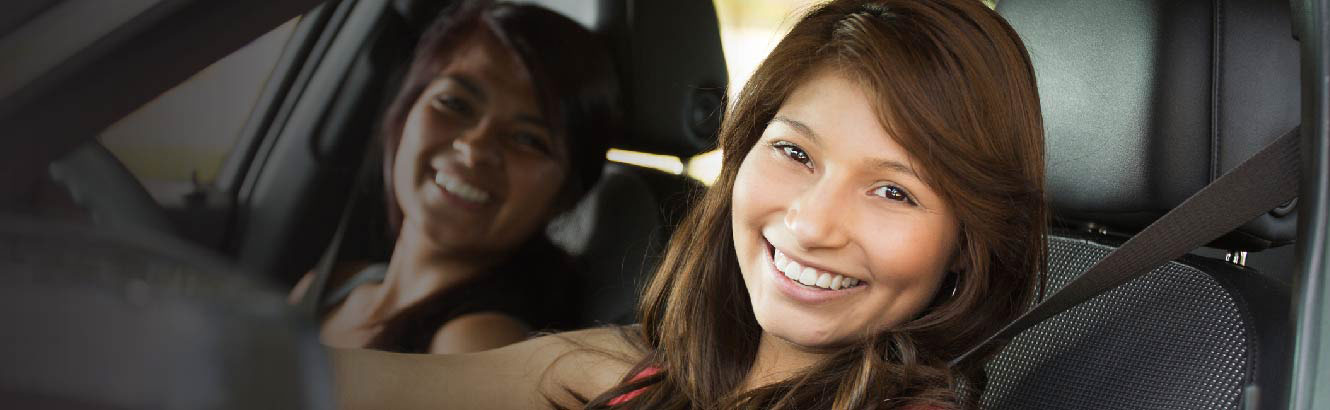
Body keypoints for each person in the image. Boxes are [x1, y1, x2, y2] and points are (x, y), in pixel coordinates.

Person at [332, 0, 1044, 408]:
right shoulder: (627, 368)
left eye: (894, 191)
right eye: (794, 153)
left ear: (965, 243)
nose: (811, 224)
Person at [289, 0, 621, 354]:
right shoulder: (330, 286)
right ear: (405, 113)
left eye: (528, 139)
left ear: (565, 193)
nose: (475, 147)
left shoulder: (477, 346)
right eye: (455, 103)